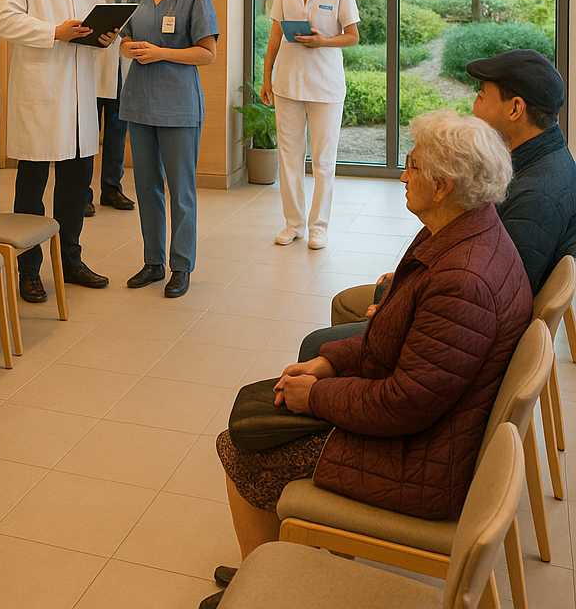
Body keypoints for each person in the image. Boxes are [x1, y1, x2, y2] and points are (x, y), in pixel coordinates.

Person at [202, 111, 531, 608]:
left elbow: (404, 403)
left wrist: (315, 396)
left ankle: (261, 589)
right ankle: (273, 569)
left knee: (241, 448)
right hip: (434, 435)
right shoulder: (461, 230)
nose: (402, 176)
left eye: (412, 166)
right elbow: (399, 335)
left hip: (424, 462)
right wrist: (331, 363)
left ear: (443, 185)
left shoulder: (463, 280)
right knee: (264, 418)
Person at [300, 48, 576, 361]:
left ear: (515, 109)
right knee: (354, 302)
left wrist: (400, 306)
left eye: (481, 96)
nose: (474, 107)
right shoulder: (544, 160)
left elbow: (490, 294)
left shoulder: (537, 195)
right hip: (461, 309)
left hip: (465, 336)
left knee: (319, 341)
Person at [0, 0, 114, 304]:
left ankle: (70, 261)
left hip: (79, 92)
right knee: (32, 187)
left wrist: (104, 33)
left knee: (76, 182)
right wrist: (54, 32)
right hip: (42, 92)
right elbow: (5, 20)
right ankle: (28, 270)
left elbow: (94, 11)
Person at [120, 0, 218, 299]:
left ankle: (181, 265)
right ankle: (153, 262)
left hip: (178, 105)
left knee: (181, 190)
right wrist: (128, 48)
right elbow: (123, 38)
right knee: (146, 187)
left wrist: (162, 53)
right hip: (139, 101)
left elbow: (207, 53)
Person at [261, 0, 359, 250]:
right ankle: (293, 224)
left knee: (323, 160)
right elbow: (276, 34)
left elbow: (352, 36)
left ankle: (319, 226)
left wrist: (323, 41)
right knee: (289, 157)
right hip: (288, 82)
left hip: (325, 85)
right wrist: (266, 76)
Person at [87, 0, 138, 215]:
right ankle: (83, 193)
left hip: (122, 70)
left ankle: (111, 189)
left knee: (117, 132)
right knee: (87, 134)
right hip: (93, 69)